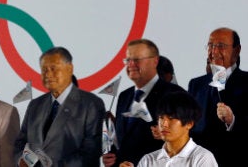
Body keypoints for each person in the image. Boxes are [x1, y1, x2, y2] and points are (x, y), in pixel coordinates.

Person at [14, 47, 105, 167]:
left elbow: (91, 153)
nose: (48, 74)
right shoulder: (35, 105)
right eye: (44, 69)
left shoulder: (91, 104)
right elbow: (20, 143)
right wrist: (21, 160)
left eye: (53, 68)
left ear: (69, 68)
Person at [102, 39, 185, 167]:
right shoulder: (124, 96)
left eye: (137, 59)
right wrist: (112, 158)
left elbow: (189, 134)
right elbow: (121, 140)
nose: (131, 64)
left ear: (154, 61)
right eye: (128, 60)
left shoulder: (174, 93)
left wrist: (169, 135)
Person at [187, 27, 248, 167]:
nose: (213, 51)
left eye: (220, 46)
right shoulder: (196, 84)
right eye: (210, 46)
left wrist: (233, 121)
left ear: (237, 50)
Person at [120, 91, 217, 167]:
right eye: (161, 117)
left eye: (171, 118)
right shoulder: (148, 160)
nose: (164, 124)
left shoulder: (202, 158)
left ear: (189, 124)